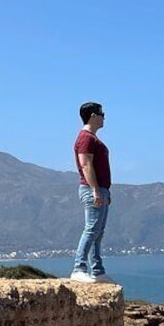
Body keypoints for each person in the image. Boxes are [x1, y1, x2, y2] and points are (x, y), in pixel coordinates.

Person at [70, 101, 114, 283]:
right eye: (101, 113)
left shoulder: (93, 139)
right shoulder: (86, 138)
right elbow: (86, 164)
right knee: (91, 229)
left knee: (98, 231)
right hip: (91, 189)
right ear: (93, 116)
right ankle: (79, 268)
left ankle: (97, 270)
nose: (104, 117)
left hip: (100, 189)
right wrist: (96, 190)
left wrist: (104, 191)